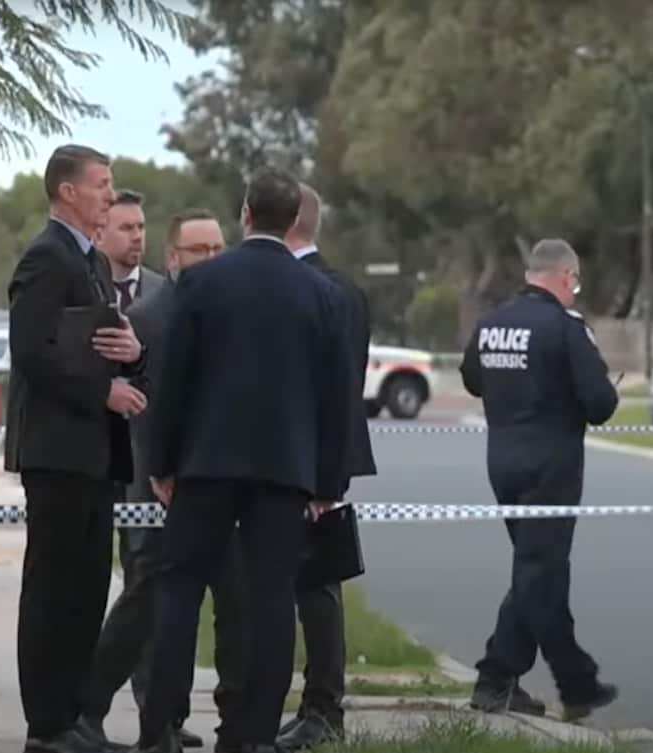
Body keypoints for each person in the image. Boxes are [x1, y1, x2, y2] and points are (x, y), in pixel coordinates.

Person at [134, 167, 354, 753]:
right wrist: (328, 483)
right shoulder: (324, 296)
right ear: (293, 222)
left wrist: (161, 463)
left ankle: (158, 727)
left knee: (180, 592)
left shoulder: (201, 285)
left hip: (205, 466)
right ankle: (251, 734)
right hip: (285, 472)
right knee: (272, 599)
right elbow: (337, 400)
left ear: (246, 216)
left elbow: (172, 381)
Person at [81, 208, 248, 750]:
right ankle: (91, 705)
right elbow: (145, 404)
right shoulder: (153, 315)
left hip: (215, 481)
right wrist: (161, 470)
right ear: (174, 258)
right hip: (157, 482)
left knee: (227, 599)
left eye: (219, 249)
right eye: (200, 250)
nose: (211, 259)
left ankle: (185, 718)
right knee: (147, 597)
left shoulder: (228, 309)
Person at [3, 143, 146, 753]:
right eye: (102, 185)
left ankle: (74, 719)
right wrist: (103, 392)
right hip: (58, 452)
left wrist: (133, 358)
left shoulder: (87, 261)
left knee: (88, 591)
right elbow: (33, 354)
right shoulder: (47, 258)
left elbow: (97, 343)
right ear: (68, 191)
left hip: (94, 455)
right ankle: (47, 724)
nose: (110, 196)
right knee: (54, 590)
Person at [457, 238, 620, 722]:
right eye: (575, 282)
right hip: (551, 468)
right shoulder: (565, 328)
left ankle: (526, 680)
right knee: (540, 571)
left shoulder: (491, 323)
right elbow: (601, 405)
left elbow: (471, 379)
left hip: (501, 464)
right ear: (566, 276)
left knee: (540, 571)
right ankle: (547, 680)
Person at [276, 183, 377, 751]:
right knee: (301, 589)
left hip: (312, 467)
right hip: (299, 461)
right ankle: (311, 707)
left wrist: (325, 479)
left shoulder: (330, 290)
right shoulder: (330, 286)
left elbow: (341, 392)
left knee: (317, 591)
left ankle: (323, 711)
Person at [101, 189, 165, 312]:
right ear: (99, 235)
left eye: (140, 227)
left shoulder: (164, 293)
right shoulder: (82, 290)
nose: (137, 236)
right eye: (126, 228)